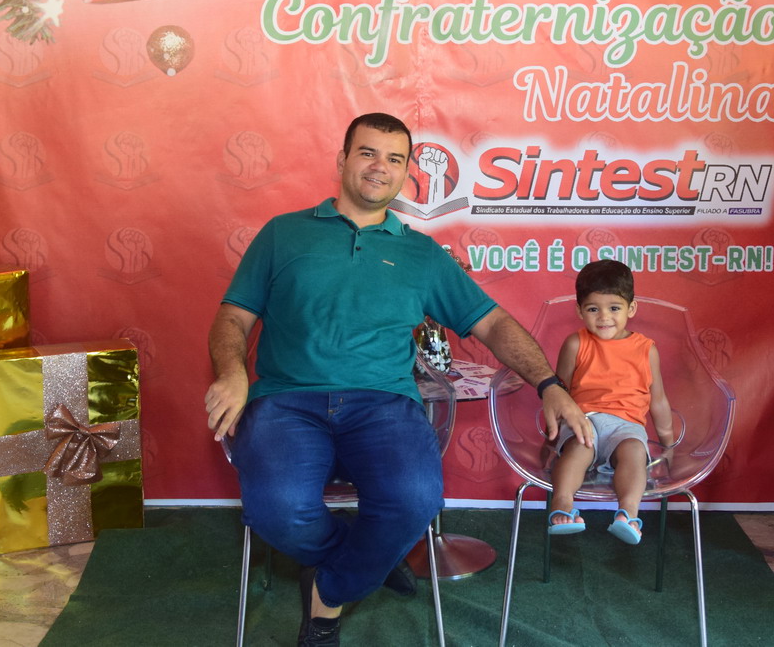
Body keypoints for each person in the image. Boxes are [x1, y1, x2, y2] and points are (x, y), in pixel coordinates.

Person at [204, 112, 591, 647]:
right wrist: (232, 373)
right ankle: (371, 559)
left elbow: (494, 324)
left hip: (383, 406)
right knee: (277, 510)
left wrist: (550, 384)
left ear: (407, 173)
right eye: (367, 153)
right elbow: (233, 316)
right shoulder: (282, 234)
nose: (379, 167)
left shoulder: (422, 254)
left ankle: (326, 601)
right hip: (286, 402)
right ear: (342, 160)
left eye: (394, 158)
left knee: (414, 499)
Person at [545, 259, 675, 546]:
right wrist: (550, 438)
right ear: (579, 310)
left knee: (634, 452)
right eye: (593, 309)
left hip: (627, 426)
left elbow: (658, 401)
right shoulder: (576, 344)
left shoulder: (646, 349)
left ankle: (627, 514)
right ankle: (562, 503)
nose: (604, 317)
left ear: (631, 308)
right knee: (579, 448)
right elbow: (557, 395)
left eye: (614, 308)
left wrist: (669, 445)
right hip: (584, 420)